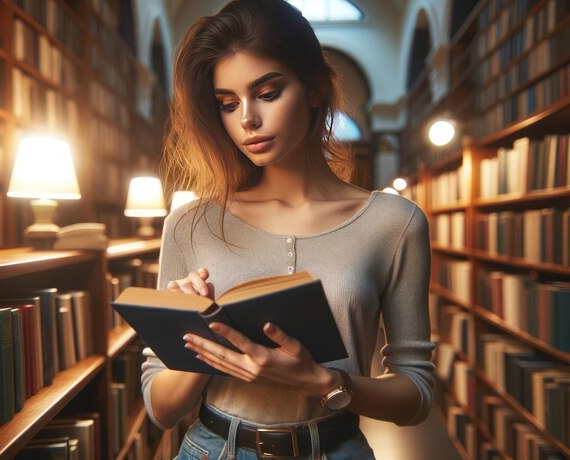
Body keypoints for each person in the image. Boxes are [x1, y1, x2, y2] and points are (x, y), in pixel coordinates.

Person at [141, 0, 434, 458]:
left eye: (268, 93)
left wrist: (323, 382)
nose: (247, 120)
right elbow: (160, 409)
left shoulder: (395, 223)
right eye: (227, 103)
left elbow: (416, 394)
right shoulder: (190, 222)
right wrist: (206, 337)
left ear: (316, 89)